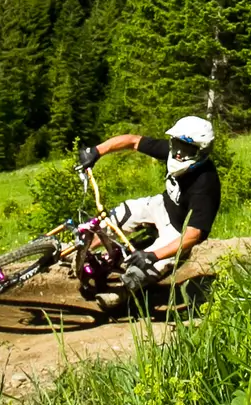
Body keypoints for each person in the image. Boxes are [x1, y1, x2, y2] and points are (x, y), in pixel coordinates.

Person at [76, 115, 221, 309]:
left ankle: (122, 294)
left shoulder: (206, 184)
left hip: (178, 233)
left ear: (201, 151)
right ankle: (84, 251)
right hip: (160, 206)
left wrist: (153, 255)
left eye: (186, 149)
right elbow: (134, 141)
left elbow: (194, 234)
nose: (178, 154)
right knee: (115, 217)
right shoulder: (172, 152)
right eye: (176, 145)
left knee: (140, 271)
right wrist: (96, 151)